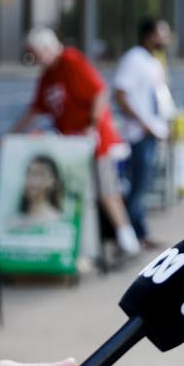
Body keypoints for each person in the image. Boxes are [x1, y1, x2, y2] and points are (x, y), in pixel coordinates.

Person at [11, 27, 140, 257]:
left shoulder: (70, 61)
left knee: (107, 191)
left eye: (36, 54)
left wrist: (92, 125)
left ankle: (127, 239)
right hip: (70, 146)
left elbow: (99, 92)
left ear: (47, 49)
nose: (35, 60)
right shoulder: (47, 76)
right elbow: (36, 109)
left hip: (96, 141)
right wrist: (11, 134)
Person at [113, 18, 176, 248]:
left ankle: (138, 232)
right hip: (138, 135)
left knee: (143, 186)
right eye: (162, 33)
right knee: (137, 186)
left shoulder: (152, 61)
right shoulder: (134, 59)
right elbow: (120, 94)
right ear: (149, 34)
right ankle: (129, 234)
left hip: (152, 133)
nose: (166, 39)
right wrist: (144, 124)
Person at [16, 154, 64, 227]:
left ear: (53, 181)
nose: (32, 181)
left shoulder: (57, 220)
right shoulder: (16, 220)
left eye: (40, 174)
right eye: (29, 173)